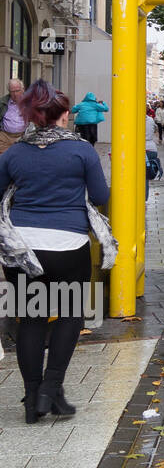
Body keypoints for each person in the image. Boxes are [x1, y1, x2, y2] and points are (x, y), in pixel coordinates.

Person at [0, 81, 110, 421]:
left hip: (22, 247)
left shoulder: (15, 152)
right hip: (68, 245)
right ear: (63, 114)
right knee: (70, 314)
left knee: (30, 320)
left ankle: (33, 398)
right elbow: (101, 195)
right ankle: (51, 386)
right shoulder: (81, 150)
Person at [0, 78, 25, 155]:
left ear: (23, 90)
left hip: (23, 137)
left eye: (17, 91)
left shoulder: (30, 102)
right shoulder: (2, 102)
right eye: (12, 91)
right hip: (5, 137)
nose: (15, 94)